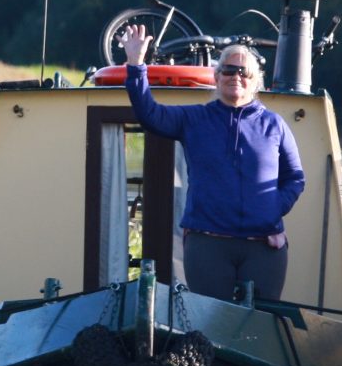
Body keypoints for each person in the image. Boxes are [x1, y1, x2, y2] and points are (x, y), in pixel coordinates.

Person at [120, 25, 306, 302]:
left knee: (264, 322)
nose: (236, 77)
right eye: (229, 71)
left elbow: (295, 178)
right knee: (209, 321)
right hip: (207, 244)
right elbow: (150, 115)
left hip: (264, 246)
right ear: (217, 78)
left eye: (244, 72)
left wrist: (272, 210)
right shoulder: (194, 119)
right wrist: (136, 65)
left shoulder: (274, 125)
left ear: (256, 82)